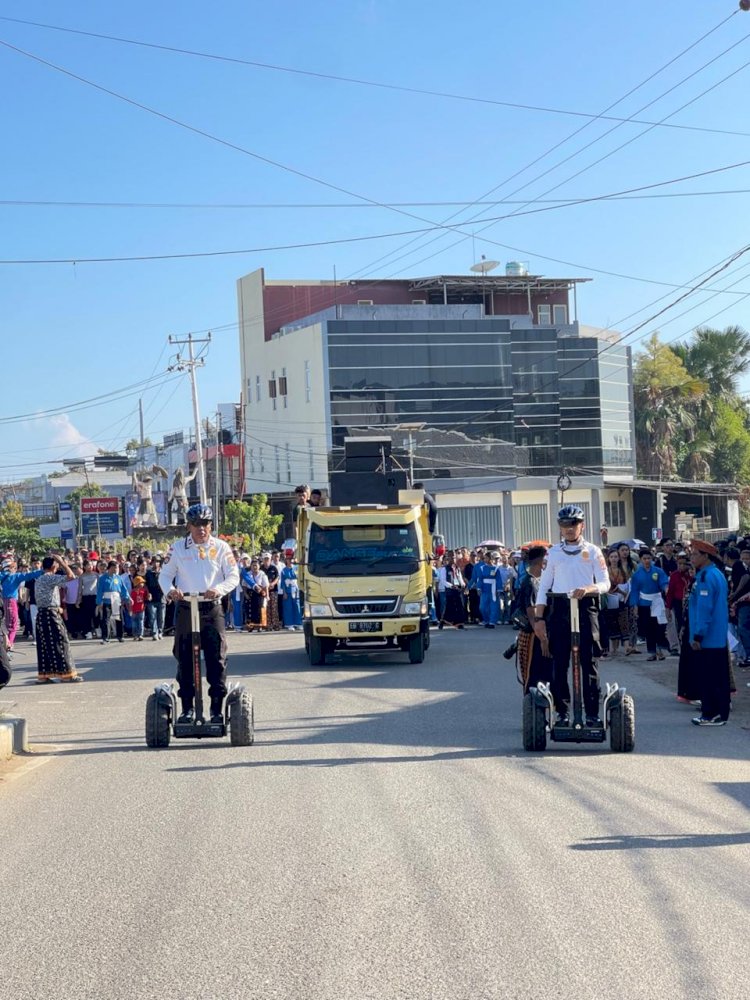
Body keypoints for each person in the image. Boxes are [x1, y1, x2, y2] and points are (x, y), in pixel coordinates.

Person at [158, 503, 239, 723]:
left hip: (211, 607)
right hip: (185, 607)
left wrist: (219, 589)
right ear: (189, 526)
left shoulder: (221, 547)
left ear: (211, 525)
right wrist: (171, 591)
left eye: (204, 524)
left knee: (217, 659)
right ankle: (187, 708)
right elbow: (164, 576)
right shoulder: (177, 548)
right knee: (185, 659)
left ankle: (216, 709)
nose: (200, 529)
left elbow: (233, 576)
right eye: (196, 524)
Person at [533, 505, 609, 726]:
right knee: (559, 663)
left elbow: (606, 583)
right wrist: (539, 619)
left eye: (573, 524)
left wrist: (588, 589)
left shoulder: (594, 551)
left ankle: (593, 714)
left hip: (586, 607)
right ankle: (562, 712)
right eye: (564, 525)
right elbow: (544, 586)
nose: (568, 528)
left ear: (581, 526)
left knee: (589, 662)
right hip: (560, 608)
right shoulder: (553, 553)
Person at [688, 539, 731, 726]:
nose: (691, 557)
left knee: (709, 677)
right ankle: (720, 712)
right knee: (719, 676)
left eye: (695, 554)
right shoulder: (717, 574)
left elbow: (704, 609)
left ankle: (710, 713)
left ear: (706, 556)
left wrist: (698, 635)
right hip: (718, 635)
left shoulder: (705, 577)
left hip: (708, 637)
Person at [35, 555, 82, 684]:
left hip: (42, 614)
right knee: (61, 642)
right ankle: (67, 674)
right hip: (51, 614)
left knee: (44, 646)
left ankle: (45, 675)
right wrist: (62, 562)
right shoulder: (49, 577)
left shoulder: (39, 579)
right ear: (54, 566)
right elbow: (71, 577)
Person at [515, 545, 553, 692]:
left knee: (544, 672)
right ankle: (534, 707)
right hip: (533, 636)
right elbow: (532, 613)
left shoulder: (538, 581)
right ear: (541, 562)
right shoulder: (530, 583)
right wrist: (543, 639)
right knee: (534, 674)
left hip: (538, 633)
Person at [628, 550, 670, 660]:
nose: (647, 561)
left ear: (651, 559)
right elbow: (634, 591)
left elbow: (663, 582)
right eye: (644, 559)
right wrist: (635, 605)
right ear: (641, 560)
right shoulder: (637, 575)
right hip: (644, 603)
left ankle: (660, 650)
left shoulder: (658, 571)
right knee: (648, 628)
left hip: (657, 601)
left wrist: (666, 589)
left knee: (660, 627)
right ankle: (652, 652)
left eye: (649, 558)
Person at [1, 555, 43, 652]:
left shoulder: (1, 575)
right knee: (13, 625)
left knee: (5, 626)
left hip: (2, 602)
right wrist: (43, 571)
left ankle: (5, 645)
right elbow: (30, 575)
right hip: (11, 602)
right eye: (14, 567)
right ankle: (9, 645)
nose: (15, 569)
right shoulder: (15, 576)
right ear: (11, 567)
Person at [95, 561, 131, 643]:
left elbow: (123, 589)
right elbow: (100, 591)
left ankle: (120, 636)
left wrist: (128, 598)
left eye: (117, 567)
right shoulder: (102, 578)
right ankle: (106, 638)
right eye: (115, 567)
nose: (116, 569)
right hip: (107, 601)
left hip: (116, 601)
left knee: (119, 619)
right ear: (110, 568)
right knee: (106, 620)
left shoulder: (118, 578)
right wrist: (99, 601)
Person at [279, 553, 302, 630]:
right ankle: (289, 624)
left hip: (295, 590)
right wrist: (284, 592)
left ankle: (298, 623)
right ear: (286, 560)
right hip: (288, 590)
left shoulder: (296, 569)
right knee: (288, 608)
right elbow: (282, 582)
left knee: (297, 607)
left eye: (291, 559)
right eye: (288, 559)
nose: (290, 561)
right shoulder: (283, 570)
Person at [129, 575, 149, 641]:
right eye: (141, 582)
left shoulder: (144, 591)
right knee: (134, 622)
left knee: (141, 622)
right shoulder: (132, 592)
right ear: (137, 584)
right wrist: (130, 609)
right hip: (134, 609)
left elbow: (146, 598)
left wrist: (149, 596)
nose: (143, 584)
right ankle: (135, 635)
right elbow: (130, 601)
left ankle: (140, 635)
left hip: (141, 609)